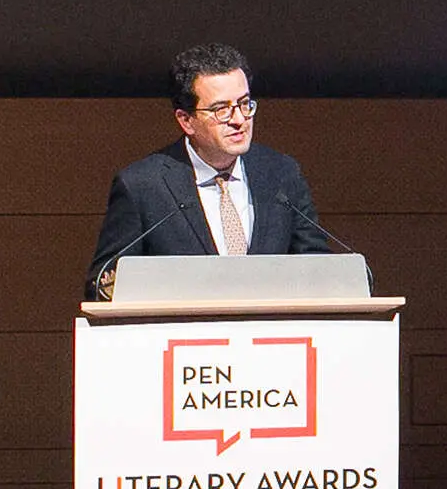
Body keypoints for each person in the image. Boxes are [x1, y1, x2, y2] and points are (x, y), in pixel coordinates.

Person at [85, 43, 329, 300]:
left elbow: (318, 269)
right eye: (221, 109)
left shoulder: (281, 174)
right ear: (186, 120)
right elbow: (103, 285)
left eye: (245, 104)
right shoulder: (142, 186)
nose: (239, 120)